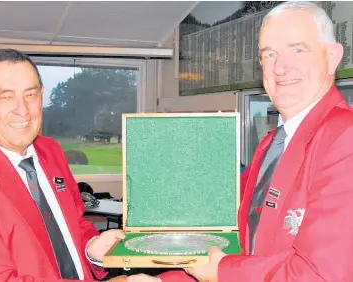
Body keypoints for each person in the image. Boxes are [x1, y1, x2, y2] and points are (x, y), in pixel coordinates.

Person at [127, 1, 353, 282]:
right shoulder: (270, 145)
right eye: (270, 54)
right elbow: (246, 251)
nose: (280, 67)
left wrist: (221, 272)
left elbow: (321, 275)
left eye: (298, 49)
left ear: (332, 57)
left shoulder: (345, 138)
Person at [0, 49, 127, 282]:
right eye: (5, 96)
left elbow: (74, 222)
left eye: (30, 95)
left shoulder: (51, 151)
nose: (23, 110)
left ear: (42, 95)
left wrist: (91, 248)